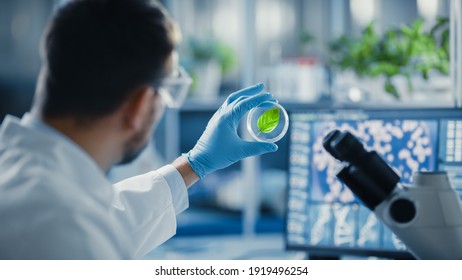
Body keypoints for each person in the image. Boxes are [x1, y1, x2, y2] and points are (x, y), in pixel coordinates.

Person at [0, 0, 277, 259]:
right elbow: (83, 230)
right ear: (140, 104)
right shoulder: (68, 234)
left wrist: (194, 164)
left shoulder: (32, 184)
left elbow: (110, 220)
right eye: (167, 93)